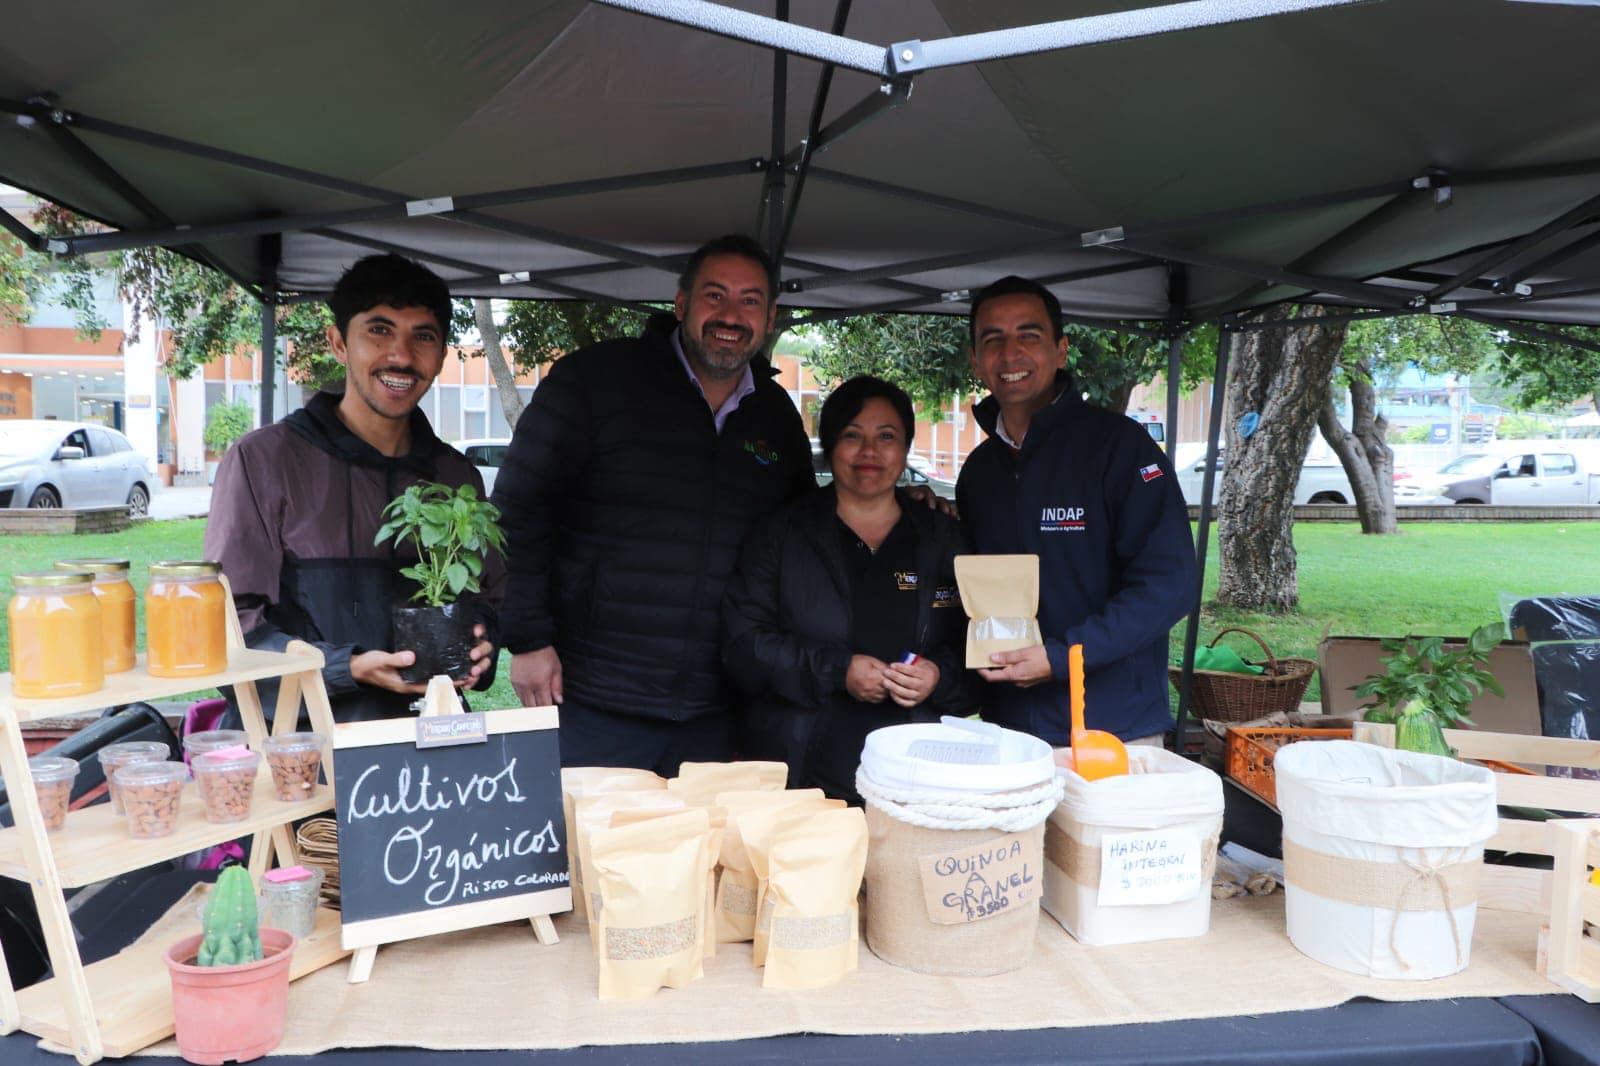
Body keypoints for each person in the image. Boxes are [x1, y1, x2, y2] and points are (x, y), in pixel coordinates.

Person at [492, 234, 814, 773]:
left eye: (750, 301)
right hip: (593, 697)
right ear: (681, 303)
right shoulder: (594, 382)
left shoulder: (777, 418)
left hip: (718, 710)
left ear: (771, 315)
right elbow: (519, 510)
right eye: (715, 295)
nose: (731, 315)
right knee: (592, 852)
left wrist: (909, 504)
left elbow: (806, 534)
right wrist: (527, 641)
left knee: (699, 855)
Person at [205, 253, 503, 725]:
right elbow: (225, 629)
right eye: (379, 331)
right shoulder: (266, 461)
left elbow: (487, 598)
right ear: (339, 343)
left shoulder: (454, 476)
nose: (402, 356)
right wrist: (347, 668)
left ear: (443, 354)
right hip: (299, 747)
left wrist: (483, 643)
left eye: (422, 337)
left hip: (425, 742)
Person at [955, 276, 1195, 747]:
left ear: (1061, 350)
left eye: (1029, 335)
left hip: (1113, 727)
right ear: (976, 360)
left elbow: (1170, 585)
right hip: (1011, 730)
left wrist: (1063, 657)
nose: (1010, 354)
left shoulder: (1119, 448)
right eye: (993, 339)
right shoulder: (979, 473)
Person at [723, 376, 972, 803]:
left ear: (907, 447)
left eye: (886, 436)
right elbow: (742, 646)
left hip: (918, 779)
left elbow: (981, 646)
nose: (869, 452)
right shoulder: (782, 533)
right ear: (830, 445)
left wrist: (939, 675)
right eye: (852, 435)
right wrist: (837, 670)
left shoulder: (943, 538)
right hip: (804, 775)